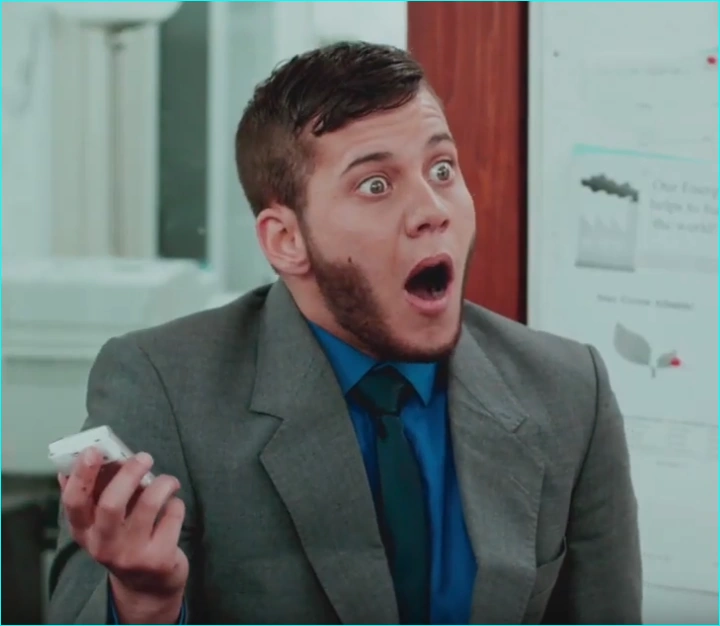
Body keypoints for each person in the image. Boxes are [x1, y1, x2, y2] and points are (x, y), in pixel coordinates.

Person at [47, 41, 642, 625]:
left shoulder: (569, 391)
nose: (432, 210)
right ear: (288, 240)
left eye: (442, 169)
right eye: (375, 185)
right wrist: (145, 606)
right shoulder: (164, 387)